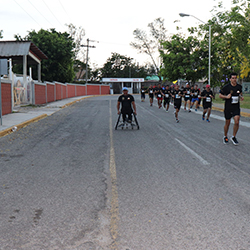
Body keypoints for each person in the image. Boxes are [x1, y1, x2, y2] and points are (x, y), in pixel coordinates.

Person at [219, 72, 244, 145]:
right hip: (228, 107)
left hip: (236, 107)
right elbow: (220, 95)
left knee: (237, 121)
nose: (234, 80)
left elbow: (240, 93)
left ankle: (233, 136)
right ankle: (225, 136)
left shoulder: (239, 86)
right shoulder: (226, 87)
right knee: (228, 122)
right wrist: (226, 97)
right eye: (233, 78)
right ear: (230, 79)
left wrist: (241, 97)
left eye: (235, 78)